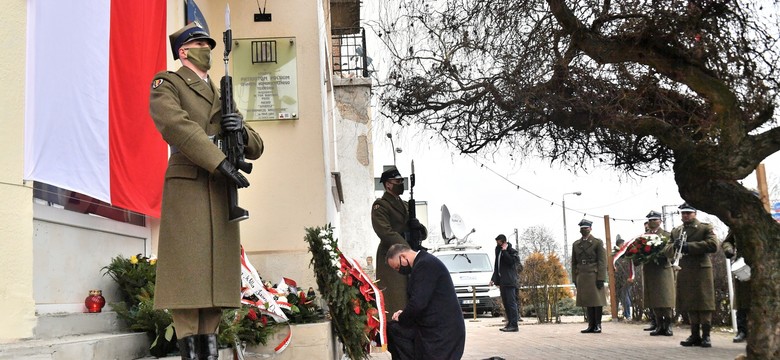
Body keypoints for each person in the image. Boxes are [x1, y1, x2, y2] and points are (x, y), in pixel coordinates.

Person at [149, 22, 264, 360]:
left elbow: (257, 145)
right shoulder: (167, 83)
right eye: (200, 43)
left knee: (216, 284)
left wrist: (239, 129)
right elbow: (175, 125)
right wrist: (218, 160)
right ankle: (190, 352)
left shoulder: (219, 93)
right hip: (190, 187)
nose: (207, 49)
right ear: (183, 51)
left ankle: (209, 353)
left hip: (219, 192)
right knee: (188, 279)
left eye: (209, 44)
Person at [385, 244, 465, 360]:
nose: (399, 271)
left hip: (442, 334)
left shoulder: (424, 265)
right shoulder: (423, 262)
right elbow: (421, 300)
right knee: (394, 329)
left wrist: (402, 317)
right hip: (437, 328)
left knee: (394, 330)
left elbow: (418, 304)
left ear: (403, 256)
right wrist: (403, 313)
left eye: (397, 267)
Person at [372, 167, 428, 316]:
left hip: (408, 255)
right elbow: (385, 232)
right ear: (388, 184)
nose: (400, 183)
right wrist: (407, 250)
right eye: (397, 181)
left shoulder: (404, 204)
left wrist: (419, 229)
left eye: (401, 181)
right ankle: (395, 327)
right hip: (391, 256)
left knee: (411, 293)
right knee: (396, 296)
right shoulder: (381, 205)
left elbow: (416, 228)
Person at [671, 202, 719, 348]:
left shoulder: (705, 227)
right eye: (683, 213)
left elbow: (713, 245)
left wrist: (689, 246)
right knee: (690, 302)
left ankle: (706, 335)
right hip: (685, 268)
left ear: (695, 213)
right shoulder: (676, 231)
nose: (685, 215)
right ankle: (694, 335)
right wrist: (674, 246)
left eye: (688, 213)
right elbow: (667, 248)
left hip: (701, 269)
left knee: (704, 303)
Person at [640, 210, 675, 336]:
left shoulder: (667, 234)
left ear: (660, 221)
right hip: (650, 269)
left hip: (663, 269)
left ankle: (668, 324)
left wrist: (661, 254)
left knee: (666, 299)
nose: (652, 222)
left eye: (654, 220)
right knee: (654, 299)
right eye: (650, 220)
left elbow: (671, 251)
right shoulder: (643, 236)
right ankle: (659, 325)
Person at [571, 219, 607, 334]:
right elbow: (574, 262)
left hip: (594, 274)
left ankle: (598, 324)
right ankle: (591, 324)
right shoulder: (576, 244)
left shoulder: (597, 242)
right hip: (582, 274)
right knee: (587, 301)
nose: (584, 230)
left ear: (590, 229)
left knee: (597, 301)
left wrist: (601, 277)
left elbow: (602, 261)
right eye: (582, 228)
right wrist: (574, 278)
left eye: (586, 228)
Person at [722, 231, 751, 343]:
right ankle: (742, 330)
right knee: (742, 299)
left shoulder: (771, 218)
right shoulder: (738, 221)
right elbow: (728, 242)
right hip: (743, 263)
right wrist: (728, 250)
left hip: (767, 263)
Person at [490, 234, 520, 332]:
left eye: (499, 242)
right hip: (502, 282)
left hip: (510, 281)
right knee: (506, 304)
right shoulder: (498, 251)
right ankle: (509, 323)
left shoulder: (512, 251)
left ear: (503, 242)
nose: (497, 244)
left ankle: (514, 325)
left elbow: (511, 262)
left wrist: (505, 251)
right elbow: (497, 266)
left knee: (511, 303)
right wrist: (494, 278)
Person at [613, 236, 632, 320]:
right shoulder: (617, 255)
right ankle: (625, 314)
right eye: (623, 244)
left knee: (625, 296)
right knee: (623, 297)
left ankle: (627, 314)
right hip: (619, 278)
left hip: (626, 279)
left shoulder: (626, 254)